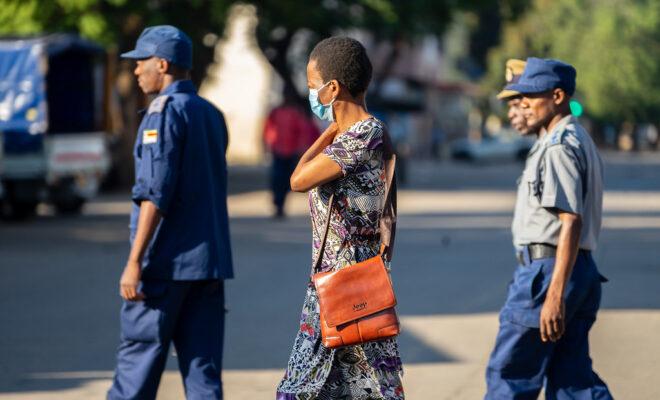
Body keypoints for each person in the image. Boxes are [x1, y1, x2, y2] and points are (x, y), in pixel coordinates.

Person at [107, 25, 233, 400]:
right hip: (208, 265)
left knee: (137, 368)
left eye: (140, 63)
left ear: (161, 64)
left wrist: (135, 260)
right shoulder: (211, 114)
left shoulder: (163, 114)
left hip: (165, 266)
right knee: (203, 374)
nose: (134, 71)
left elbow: (155, 194)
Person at [276, 36, 404, 400]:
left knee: (303, 391)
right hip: (334, 284)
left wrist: (330, 132)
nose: (310, 93)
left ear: (333, 88)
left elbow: (298, 179)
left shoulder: (363, 135)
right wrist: (332, 132)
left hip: (348, 287)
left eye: (313, 85)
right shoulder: (350, 137)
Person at [484, 57, 612, 399]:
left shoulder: (559, 146)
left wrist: (553, 296)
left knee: (509, 375)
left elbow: (571, 221)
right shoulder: (577, 138)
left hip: (549, 272)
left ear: (557, 96)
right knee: (572, 380)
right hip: (576, 268)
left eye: (530, 96)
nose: (523, 104)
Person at [263, 88, 320, 217]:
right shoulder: (276, 112)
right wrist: (268, 144)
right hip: (278, 151)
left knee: (286, 180)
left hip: (291, 152)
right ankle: (277, 204)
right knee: (277, 178)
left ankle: (281, 204)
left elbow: (303, 132)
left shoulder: (296, 113)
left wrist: (301, 149)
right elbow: (268, 129)